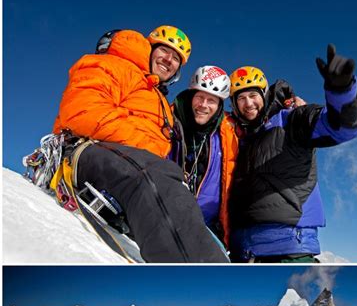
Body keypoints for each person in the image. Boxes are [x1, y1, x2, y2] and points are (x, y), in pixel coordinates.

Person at [51, 26, 228, 263]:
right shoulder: (114, 65)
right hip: (90, 149)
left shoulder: (158, 99)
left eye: (176, 58)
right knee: (156, 176)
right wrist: (147, 150)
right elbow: (82, 112)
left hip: (126, 161)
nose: (169, 59)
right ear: (149, 49)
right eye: (164, 50)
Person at [228, 44, 357, 262]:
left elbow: (343, 127)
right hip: (243, 252)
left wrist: (341, 91)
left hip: (288, 249)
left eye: (253, 95)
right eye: (240, 98)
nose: (248, 103)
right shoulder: (241, 140)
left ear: (264, 95)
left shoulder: (291, 120)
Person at [171, 66, 239, 247]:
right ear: (191, 95)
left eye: (211, 100)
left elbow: (258, 127)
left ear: (219, 107)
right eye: (200, 97)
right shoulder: (167, 120)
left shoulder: (228, 135)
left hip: (204, 229)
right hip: (161, 214)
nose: (203, 105)